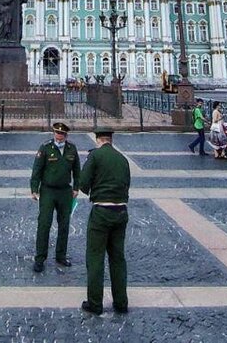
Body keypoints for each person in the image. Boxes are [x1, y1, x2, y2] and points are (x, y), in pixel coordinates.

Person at [79, 128, 130, 315]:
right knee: (118, 258)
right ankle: (121, 302)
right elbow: (127, 184)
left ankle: (95, 303)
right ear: (110, 140)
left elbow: (83, 184)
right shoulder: (122, 159)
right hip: (121, 211)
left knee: (95, 257)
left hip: (101, 212)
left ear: (98, 140)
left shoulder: (95, 156)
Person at [30, 121, 81, 273]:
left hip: (65, 191)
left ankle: (61, 255)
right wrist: (34, 189)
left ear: (66, 135)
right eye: (57, 134)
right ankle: (40, 258)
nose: (59, 136)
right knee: (44, 224)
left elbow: (77, 170)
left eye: (62, 134)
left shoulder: (72, 148)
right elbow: (37, 170)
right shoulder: (45, 148)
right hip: (48, 191)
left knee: (64, 225)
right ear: (54, 134)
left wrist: (77, 187)